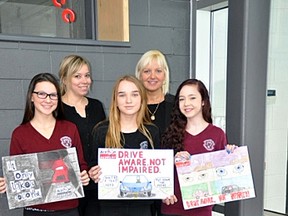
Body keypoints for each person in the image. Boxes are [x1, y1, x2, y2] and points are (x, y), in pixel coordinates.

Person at [6, 73, 90, 216]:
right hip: (36, 210)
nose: (48, 100)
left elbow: (81, 166)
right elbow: (17, 174)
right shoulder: (20, 134)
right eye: (42, 94)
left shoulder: (70, 128)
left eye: (53, 95)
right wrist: (8, 183)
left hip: (69, 209)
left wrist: (84, 176)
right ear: (31, 97)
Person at [161, 78, 236, 216]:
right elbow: (159, 171)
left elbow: (222, 175)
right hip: (172, 208)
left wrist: (231, 156)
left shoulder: (217, 134)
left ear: (203, 101)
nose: (186, 103)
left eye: (192, 98)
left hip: (202, 210)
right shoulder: (171, 133)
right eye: (182, 99)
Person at [88, 75, 160, 216]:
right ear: (115, 101)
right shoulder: (102, 131)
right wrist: (93, 174)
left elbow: (159, 172)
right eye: (122, 95)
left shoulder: (152, 132)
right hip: (109, 206)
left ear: (142, 99)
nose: (128, 100)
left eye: (134, 94)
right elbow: (92, 166)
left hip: (142, 207)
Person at [58, 54, 106, 216]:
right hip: (69, 185)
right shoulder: (55, 108)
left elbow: (105, 142)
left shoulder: (96, 106)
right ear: (64, 79)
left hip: (97, 181)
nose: (85, 80)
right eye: (77, 76)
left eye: (87, 75)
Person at [135, 50, 175, 136]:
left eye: (158, 71)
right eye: (147, 71)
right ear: (139, 76)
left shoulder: (176, 104)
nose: (153, 76)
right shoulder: (132, 105)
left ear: (165, 75)